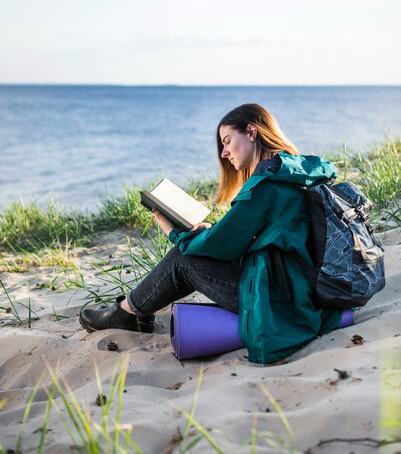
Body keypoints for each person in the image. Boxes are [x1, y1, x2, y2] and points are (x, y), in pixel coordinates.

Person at [79, 103, 342, 364]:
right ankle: (136, 311)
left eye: (227, 141)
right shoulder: (292, 171)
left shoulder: (265, 187)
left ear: (251, 131)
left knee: (183, 259)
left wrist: (173, 231)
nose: (225, 153)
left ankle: (125, 313)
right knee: (191, 247)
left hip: (278, 297)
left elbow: (217, 247)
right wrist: (214, 231)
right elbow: (260, 234)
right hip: (298, 285)